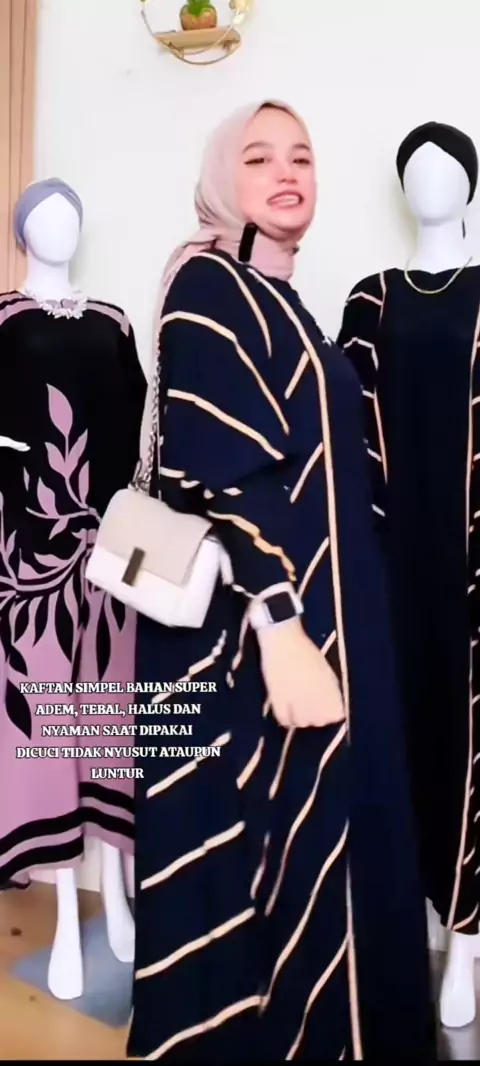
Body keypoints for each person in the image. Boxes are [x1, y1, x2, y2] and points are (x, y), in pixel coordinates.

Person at [127, 101, 436, 1061]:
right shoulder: (207, 286)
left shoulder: (288, 303)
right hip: (266, 641)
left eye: (301, 156)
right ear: (223, 180)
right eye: (259, 157)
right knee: (275, 863)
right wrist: (281, 627)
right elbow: (219, 470)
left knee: (341, 852)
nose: (287, 171)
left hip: (338, 622)